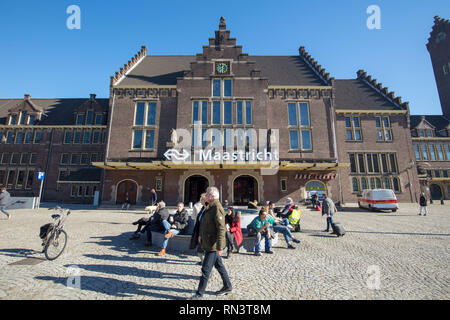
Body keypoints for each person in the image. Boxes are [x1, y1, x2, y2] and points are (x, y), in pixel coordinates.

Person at [191, 187, 232, 300]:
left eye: (208, 194)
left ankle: (199, 294)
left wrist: (220, 247)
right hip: (208, 241)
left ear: (212, 196)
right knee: (219, 265)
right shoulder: (210, 207)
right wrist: (201, 235)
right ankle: (228, 286)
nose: (206, 195)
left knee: (205, 270)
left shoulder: (216, 208)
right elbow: (205, 224)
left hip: (213, 245)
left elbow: (221, 229)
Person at [190, 193, 207, 265]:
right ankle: (204, 262)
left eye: (203, 199)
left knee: (203, 250)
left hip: (205, 233)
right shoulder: (202, 208)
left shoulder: (209, 209)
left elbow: (193, 217)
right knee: (200, 250)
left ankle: (206, 264)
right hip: (200, 231)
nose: (202, 201)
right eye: (202, 199)